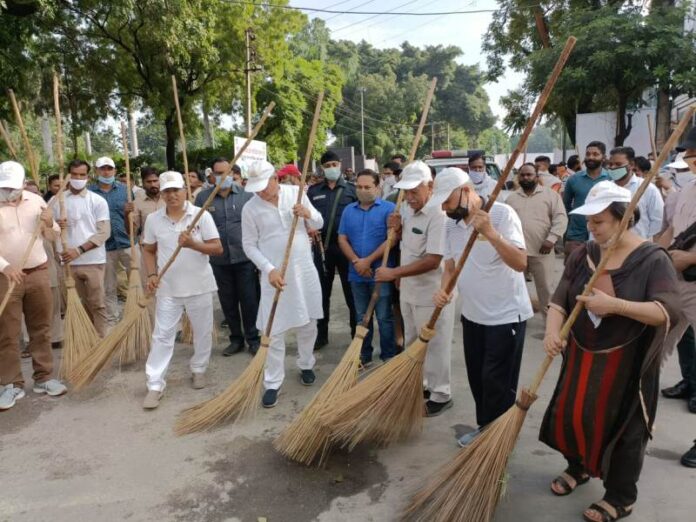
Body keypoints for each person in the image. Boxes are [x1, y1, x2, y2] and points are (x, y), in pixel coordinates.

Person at [540, 180, 679, 522]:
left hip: (627, 363)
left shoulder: (651, 259)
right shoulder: (583, 254)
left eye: (599, 222)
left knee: (625, 428)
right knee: (576, 414)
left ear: (624, 217)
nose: (591, 228)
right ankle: (580, 467)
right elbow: (559, 300)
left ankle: (621, 496)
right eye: (589, 221)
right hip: (582, 355)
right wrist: (552, 332)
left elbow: (666, 312)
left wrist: (615, 305)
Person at [431, 167, 532, 446]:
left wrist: (491, 233)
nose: (445, 208)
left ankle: (497, 443)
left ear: (465, 191)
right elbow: (450, 266)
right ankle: (486, 430)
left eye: (447, 201)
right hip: (472, 315)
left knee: (498, 383)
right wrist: (444, 291)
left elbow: (521, 263)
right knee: (478, 379)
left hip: (506, 317)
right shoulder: (451, 224)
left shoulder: (501, 214)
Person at [375, 160, 456, 416]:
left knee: (435, 344)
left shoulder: (439, 214)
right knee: (411, 340)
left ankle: (441, 393)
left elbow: (433, 260)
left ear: (430, 186)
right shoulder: (408, 209)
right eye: (405, 192)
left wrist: (393, 273)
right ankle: (417, 385)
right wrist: (396, 229)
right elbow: (406, 247)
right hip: (408, 289)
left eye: (414, 192)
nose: (409, 197)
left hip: (433, 293)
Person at [241, 160, 324, 408]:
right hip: (274, 275)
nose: (260, 192)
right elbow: (249, 245)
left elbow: (319, 223)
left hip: (303, 270)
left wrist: (307, 214)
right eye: (255, 187)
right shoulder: (250, 209)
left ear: (275, 179)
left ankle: (306, 364)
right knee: (274, 330)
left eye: (263, 185)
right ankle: (273, 381)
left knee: (309, 322)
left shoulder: (296, 194)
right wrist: (269, 269)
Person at [141, 171, 222, 409]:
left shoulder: (200, 215)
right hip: (168, 288)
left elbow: (217, 248)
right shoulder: (153, 220)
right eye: (167, 191)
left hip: (199, 285)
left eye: (176, 189)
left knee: (202, 331)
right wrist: (153, 274)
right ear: (162, 194)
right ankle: (155, 384)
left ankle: (199, 369)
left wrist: (193, 244)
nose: (172, 195)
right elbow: (148, 250)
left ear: (185, 190)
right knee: (162, 335)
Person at [0, 161, 66, 411]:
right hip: (6, 277)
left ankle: (45, 377)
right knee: (8, 332)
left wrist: (49, 223)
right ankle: (11, 384)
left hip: (38, 272)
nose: (8, 192)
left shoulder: (37, 201)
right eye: (3, 187)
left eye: (12, 187)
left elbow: (53, 235)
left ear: (22, 182)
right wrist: (5, 266)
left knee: (41, 328)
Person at [196, 157, 260, 356]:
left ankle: (253, 338)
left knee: (250, 301)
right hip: (219, 261)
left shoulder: (247, 196)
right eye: (218, 173)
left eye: (227, 172)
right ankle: (236, 339)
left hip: (245, 258)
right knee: (227, 301)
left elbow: (257, 225)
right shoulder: (203, 199)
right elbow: (197, 227)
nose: (222, 176)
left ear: (233, 174)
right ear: (212, 176)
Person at [337, 169, 397, 366]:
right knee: (361, 317)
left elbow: (392, 239)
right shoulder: (348, 210)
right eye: (359, 187)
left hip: (380, 274)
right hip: (357, 275)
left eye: (367, 187)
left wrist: (368, 260)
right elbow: (342, 238)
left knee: (384, 317)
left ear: (377, 187)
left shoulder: (389, 209)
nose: (362, 191)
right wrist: (357, 261)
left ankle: (388, 355)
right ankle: (364, 354)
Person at [658, 127, 696, 414]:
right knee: (659, 341)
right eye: (690, 154)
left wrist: (690, 259)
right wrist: (655, 254)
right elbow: (673, 229)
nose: (690, 159)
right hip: (676, 281)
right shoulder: (687, 191)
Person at [51, 159, 110, 337]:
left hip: (93, 260)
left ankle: (101, 340)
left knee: (97, 303)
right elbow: (47, 230)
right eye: (74, 174)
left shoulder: (97, 201)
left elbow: (103, 233)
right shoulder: (57, 201)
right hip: (67, 262)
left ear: (88, 177)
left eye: (82, 175)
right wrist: (55, 224)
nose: (78, 178)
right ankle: (83, 339)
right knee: (75, 304)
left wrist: (78, 250)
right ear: (68, 176)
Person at [307, 150, 357, 348]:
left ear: (340, 165)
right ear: (322, 168)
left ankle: (356, 334)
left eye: (334, 165)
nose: (331, 169)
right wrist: (308, 227)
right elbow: (307, 217)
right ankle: (321, 335)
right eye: (327, 166)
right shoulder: (313, 191)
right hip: (322, 249)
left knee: (351, 293)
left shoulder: (351, 190)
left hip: (347, 249)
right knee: (321, 293)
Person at [506, 163, 568, 315]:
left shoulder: (550, 195)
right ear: (518, 177)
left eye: (529, 175)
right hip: (517, 252)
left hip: (543, 251)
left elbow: (561, 218)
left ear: (537, 177)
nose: (526, 178)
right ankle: (517, 320)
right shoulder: (511, 198)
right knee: (514, 288)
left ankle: (550, 326)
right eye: (523, 175)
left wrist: (551, 239)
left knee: (546, 289)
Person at [90, 156, 132, 326]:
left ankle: (135, 314)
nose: (106, 172)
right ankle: (112, 319)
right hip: (104, 246)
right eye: (102, 169)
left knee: (136, 280)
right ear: (96, 171)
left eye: (109, 168)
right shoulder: (90, 193)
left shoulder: (125, 190)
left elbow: (132, 217)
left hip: (127, 242)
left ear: (114, 170)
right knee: (108, 286)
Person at [562, 141, 611, 260]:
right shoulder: (573, 179)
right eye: (588, 154)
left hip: (603, 234)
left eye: (595, 154)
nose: (590, 157)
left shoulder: (611, 179)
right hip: (576, 235)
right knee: (573, 273)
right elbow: (566, 206)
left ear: (603, 157)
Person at [606, 147, 663, 240]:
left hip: (639, 248)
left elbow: (658, 220)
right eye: (610, 164)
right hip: (610, 246)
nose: (613, 168)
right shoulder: (605, 189)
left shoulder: (647, 188)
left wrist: (644, 240)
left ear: (631, 165)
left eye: (618, 164)